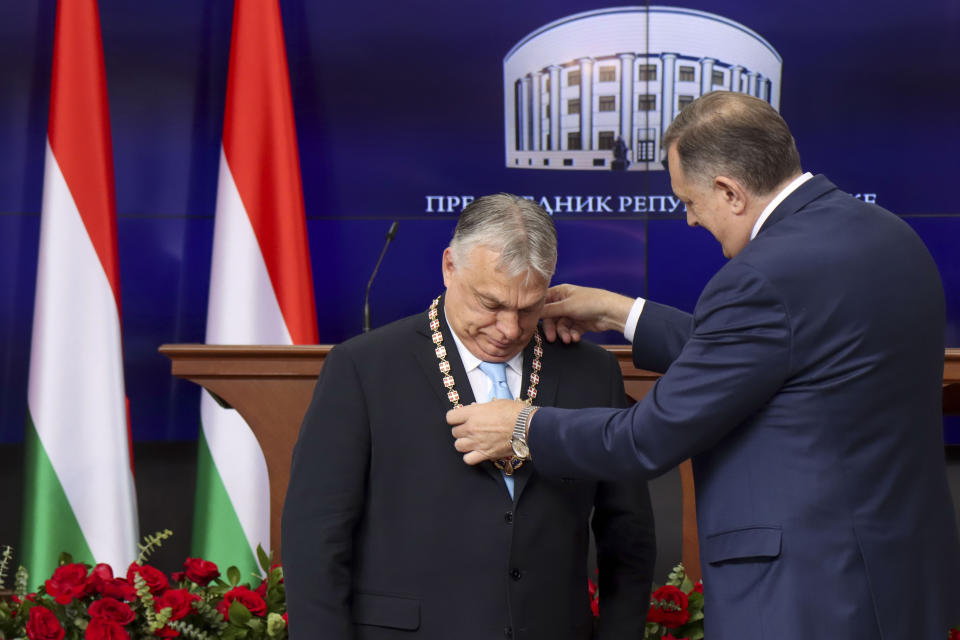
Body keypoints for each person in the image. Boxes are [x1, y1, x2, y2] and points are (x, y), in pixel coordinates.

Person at [448, 92, 960, 638]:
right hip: (900, 579)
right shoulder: (890, 236)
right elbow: (782, 356)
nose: (690, 220)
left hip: (809, 594)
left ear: (729, 192)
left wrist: (522, 427)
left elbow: (646, 438)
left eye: (688, 201)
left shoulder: (762, 276)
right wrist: (620, 312)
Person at [282, 193, 656, 639]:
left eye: (528, 307)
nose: (509, 329)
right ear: (449, 267)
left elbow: (627, 534)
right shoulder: (364, 367)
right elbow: (316, 539)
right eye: (491, 304)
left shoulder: (592, 374)